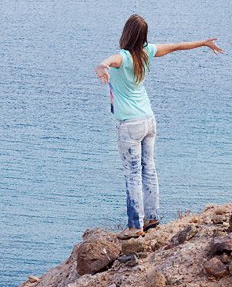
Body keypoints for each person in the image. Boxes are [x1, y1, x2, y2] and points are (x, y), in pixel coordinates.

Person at [94, 14, 224, 240]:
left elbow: (108, 61)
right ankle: (152, 217)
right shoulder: (147, 52)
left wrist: (102, 67)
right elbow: (177, 46)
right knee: (149, 169)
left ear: (126, 33)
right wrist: (204, 43)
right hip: (148, 120)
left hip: (129, 125)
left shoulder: (124, 57)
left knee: (132, 174)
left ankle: (135, 226)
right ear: (143, 36)